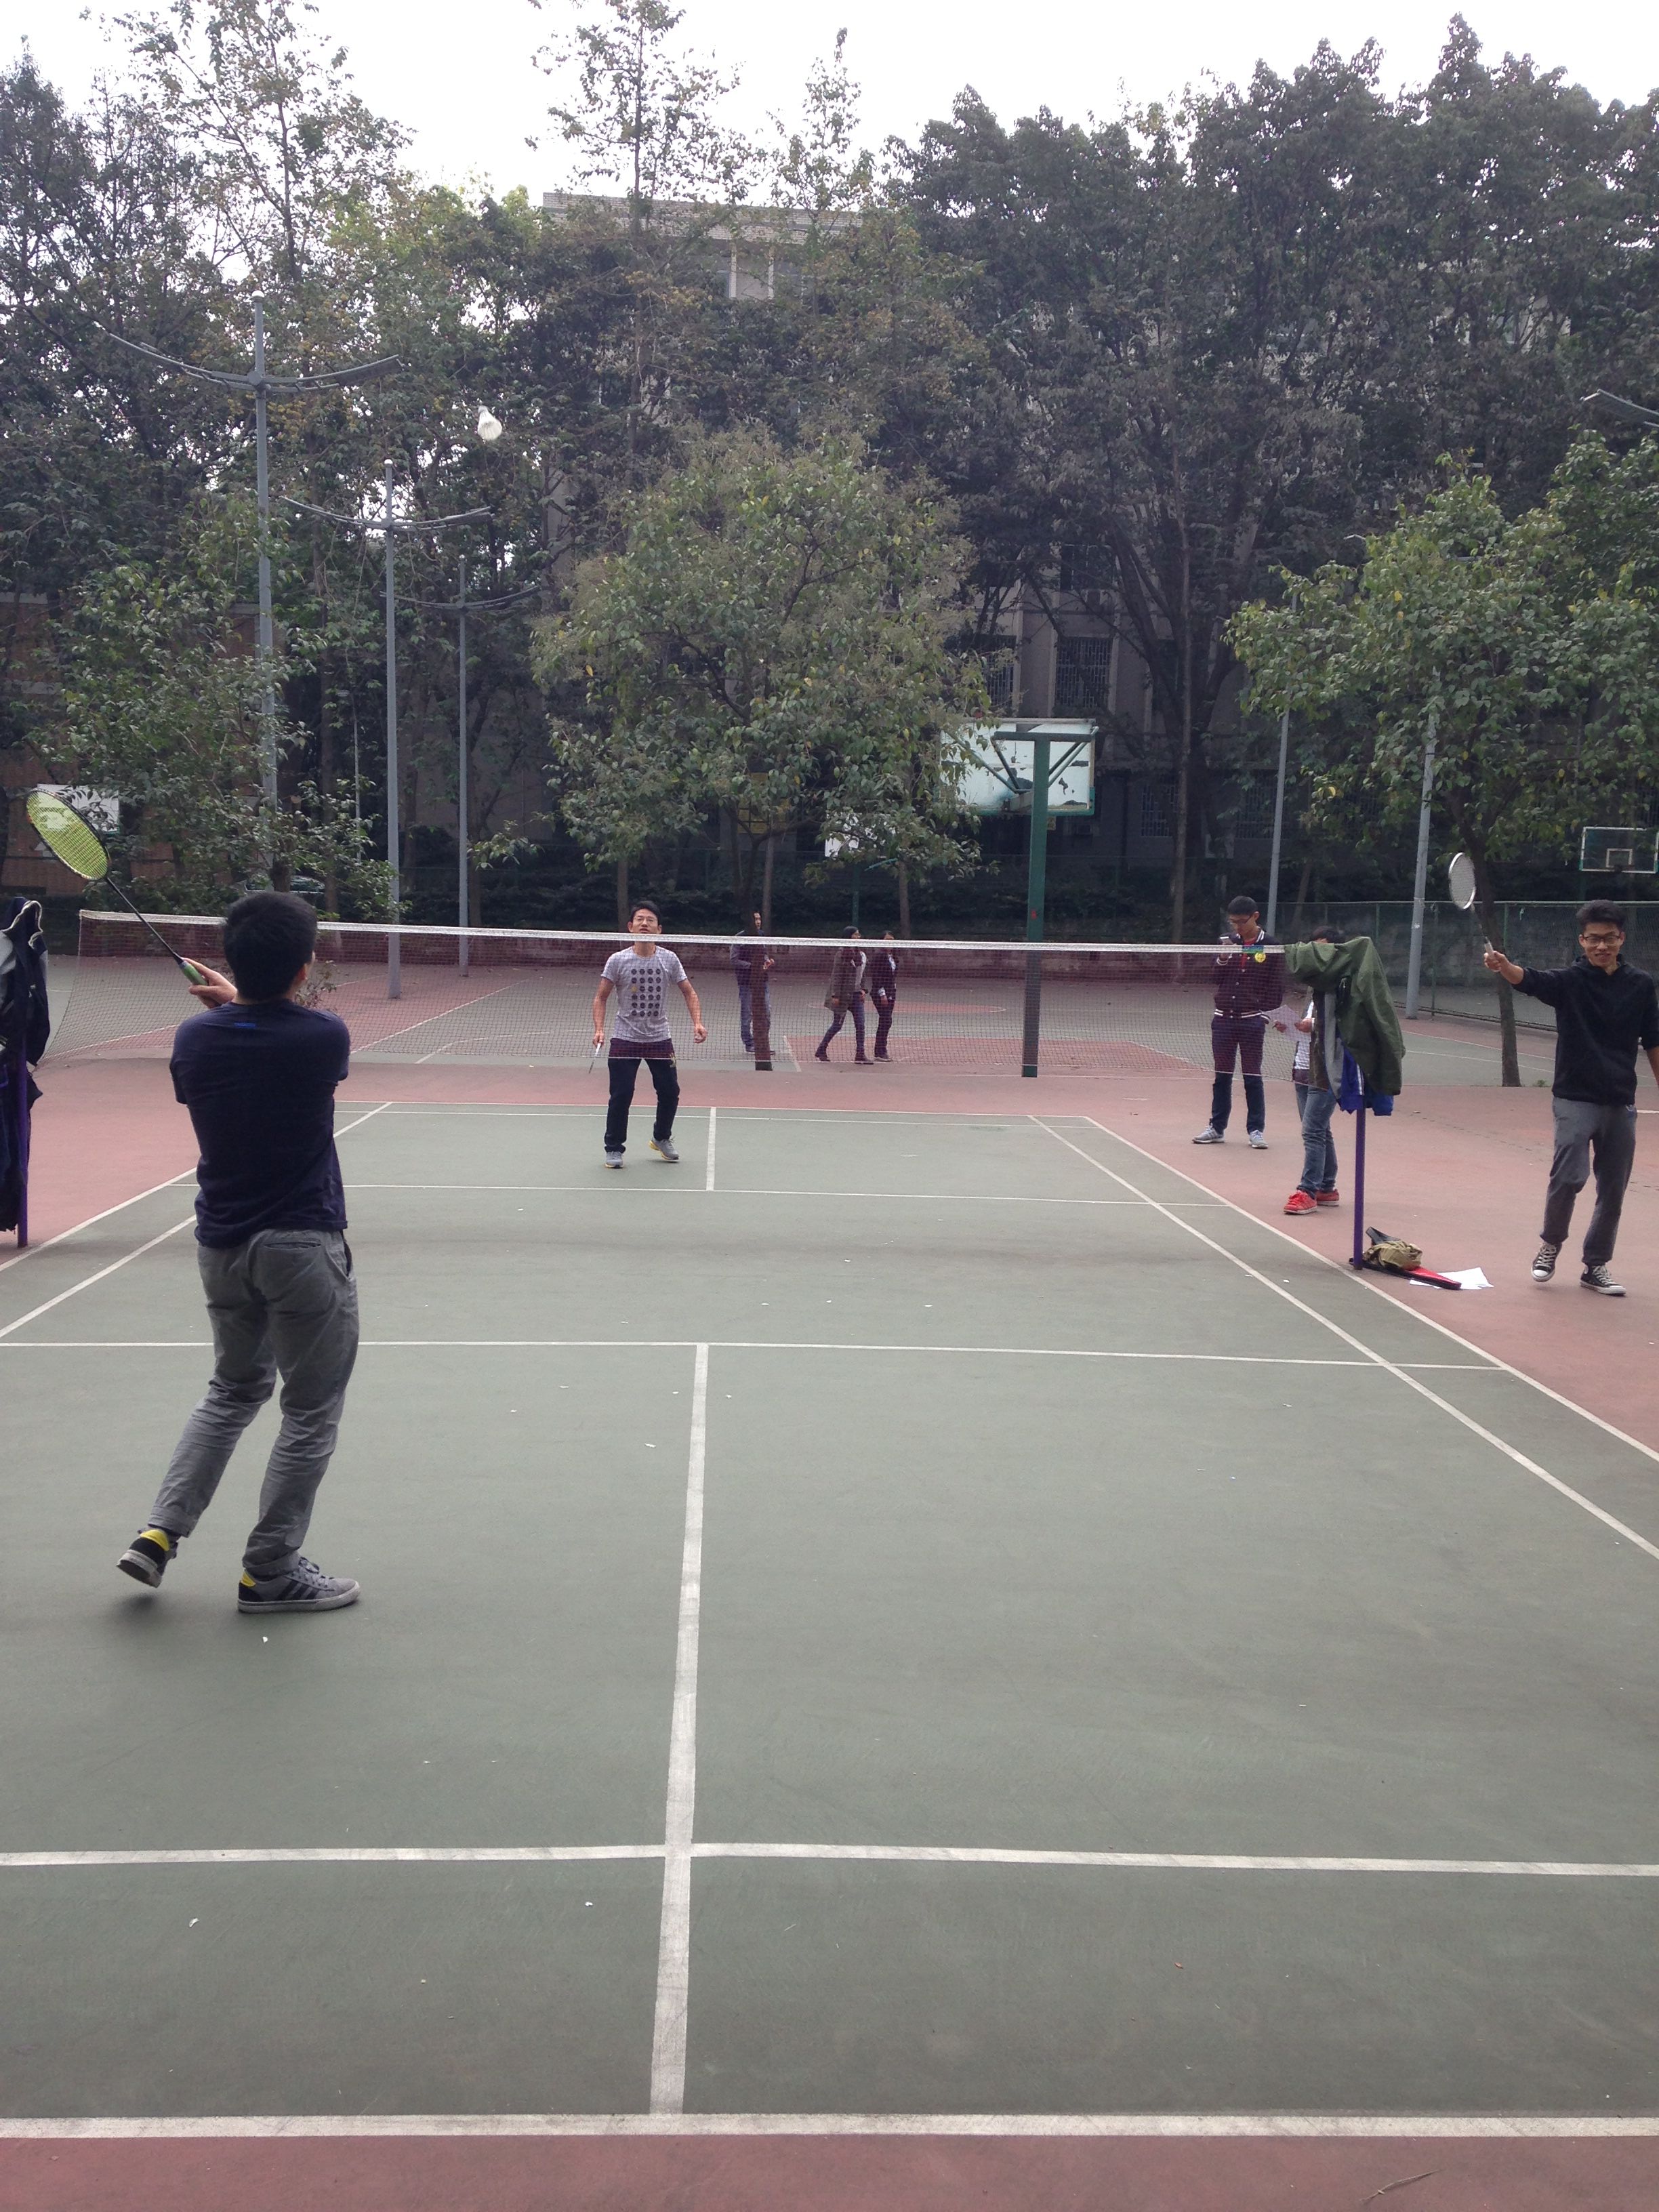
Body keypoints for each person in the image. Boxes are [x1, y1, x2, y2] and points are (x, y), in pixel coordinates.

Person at [117, 891, 362, 1614]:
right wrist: (245, 1001)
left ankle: (160, 1531)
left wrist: (232, 1005)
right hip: (300, 1247)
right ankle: (270, 1572)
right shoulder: (324, 1037)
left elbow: (249, 1035)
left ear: (233, 958)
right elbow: (289, 1027)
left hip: (221, 1246)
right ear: (304, 966)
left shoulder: (194, 1041)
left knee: (231, 1391)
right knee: (310, 1411)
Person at [1484, 900, 1659, 1294]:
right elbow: (1529, 980)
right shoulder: (1571, 982)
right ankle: (1550, 1244)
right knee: (1569, 1176)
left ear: (1622, 939)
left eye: (1609, 938)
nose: (1602, 946)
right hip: (1574, 1098)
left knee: (1613, 1190)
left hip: (1620, 1101)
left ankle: (1595, 1266)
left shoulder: (1641, 984)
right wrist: (1504, 966)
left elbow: (1653, 1039)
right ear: (1582, 941)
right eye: (1593, 939)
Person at [594, 904, 705, 1167]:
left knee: (670, 1092)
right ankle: (614, 1148)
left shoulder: (669, 959)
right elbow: (601, 997)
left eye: (650, 920)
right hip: (624, 1039)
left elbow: (689, 992)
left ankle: (661, 1137)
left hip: (659, 1039)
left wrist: (698, 1022)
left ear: (659, 929)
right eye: (640, 919)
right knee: (621, 1095)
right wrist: (599, 1028)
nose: (645, 923)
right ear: (630, 927)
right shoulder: (617, 960)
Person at [1194, 894, 1284, 1149]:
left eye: (1241, 922)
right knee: (1222, 1076)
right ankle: (1216, 1127)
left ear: (1255, 917)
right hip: (1223, 1020)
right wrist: (1223, 957)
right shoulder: (1227, 942)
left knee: (1252, 1077)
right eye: (1232, 922)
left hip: (1251, 1023)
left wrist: (1265, 1015)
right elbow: (1215, 978)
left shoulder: (1271, 946)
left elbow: (1276, 986)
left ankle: (1256, 1130)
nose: (1237, 927)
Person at [1282, 928, 1343, 1216]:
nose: (1317, 955)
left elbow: (1345, 1026)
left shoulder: (1343, 986)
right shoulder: (1314, 987)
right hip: (1304, 1066)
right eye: (1313, 949)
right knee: (1320, 1129)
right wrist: (1292, 1026)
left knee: (1312, 1131)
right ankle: (1327, 1186)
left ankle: (1307, 1191)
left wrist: (1314, 1026)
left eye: (1323, 949)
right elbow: (1310, 1026)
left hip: (1326, 1070)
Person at [816, 927, 868, 1063]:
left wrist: (863, 989)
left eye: (859, 935)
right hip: (844, 995)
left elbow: (862, 974)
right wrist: (835, 995)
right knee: (837, 1025)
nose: (858, 937)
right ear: (848, 937)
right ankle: (822, 1049)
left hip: (856, 996)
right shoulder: (841, 954)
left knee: (861, 1025)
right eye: (855, 935)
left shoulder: (862, 955)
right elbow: (837, 976)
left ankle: (860, 1054)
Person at [730, 910, 773, 1054]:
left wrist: (767, 962)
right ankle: (749, 1043)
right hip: (746, 982)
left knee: (767, 1012)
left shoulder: (762, 935)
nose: (758, 922)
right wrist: (753, 966)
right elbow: (734, 960)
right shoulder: (739, 938)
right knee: (747, 1014)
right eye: (755, 919)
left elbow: (764, 954)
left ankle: (762, 1043)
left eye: (759, 919)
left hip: (762, 981)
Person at [867, 931, 898, 1061]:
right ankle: (880, 1051)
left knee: (886, 1021)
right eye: (887, 939)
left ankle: (880, 1050)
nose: (890, 942)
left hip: (891, 992)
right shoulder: (878, 956)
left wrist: (892, 989)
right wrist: (882, 993)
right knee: (886, 1020)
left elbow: (892, 976)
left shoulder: (894, 957)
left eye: (892, 940)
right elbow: (876, 976)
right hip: (880, 993)